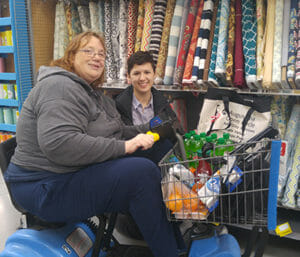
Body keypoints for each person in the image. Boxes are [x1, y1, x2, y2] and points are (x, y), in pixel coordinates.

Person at [4, 32, 180, 257]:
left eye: (102, 54)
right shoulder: (58, 86)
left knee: (157, 149)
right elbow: (60, 144)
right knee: (141, 173)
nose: (97, 57)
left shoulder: (92, 93)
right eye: (88, 51)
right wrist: (126, 147)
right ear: (71, 56)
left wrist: (150, 131)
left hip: (67, 173)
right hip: (45, 185)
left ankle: (175, 243)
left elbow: (117, 131)